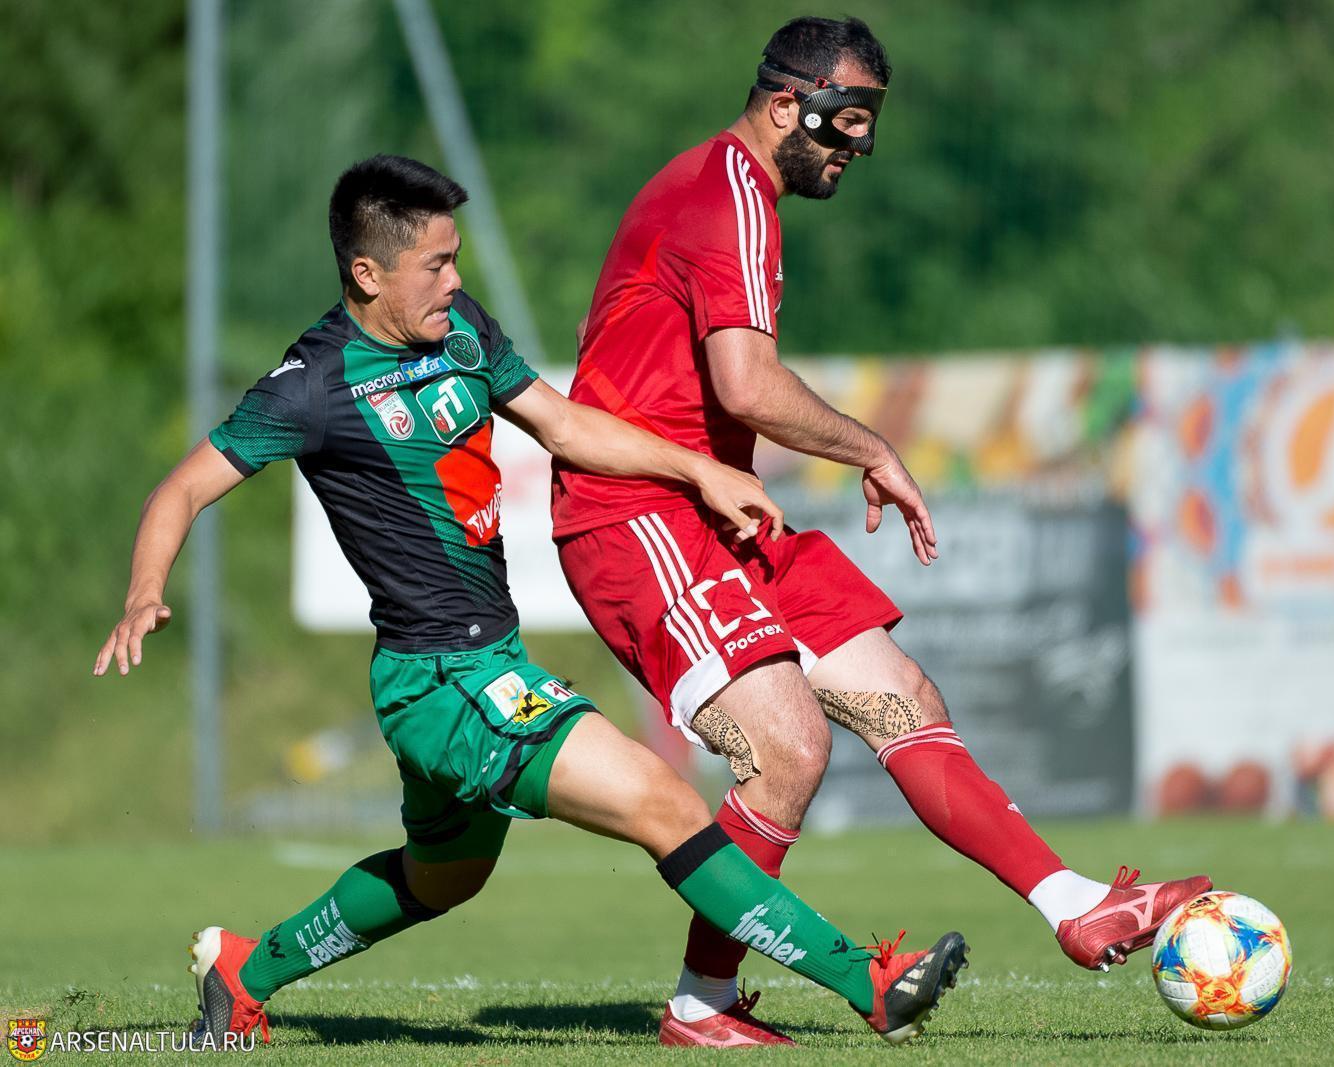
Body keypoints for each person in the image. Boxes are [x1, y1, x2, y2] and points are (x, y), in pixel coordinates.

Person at [93, 154, 967, 1048]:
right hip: (445, 682)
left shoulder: (460, 329)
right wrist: (144, 592)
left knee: (444, 877)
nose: (454, 279)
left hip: (480, 664)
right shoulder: (312, 384)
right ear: (367, 273)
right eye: (435, 264)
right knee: (665, 803)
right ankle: (867, 983)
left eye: (455, 258)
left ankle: (246, 971)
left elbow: (564, 423)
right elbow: (182, 488)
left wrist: (698, 470)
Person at [553, 16, 1211, 1047]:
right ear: (788, 105)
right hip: (635, 514)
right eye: (848, 121)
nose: (860, 145)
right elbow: (745, 384)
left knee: (902, 694)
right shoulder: (727, 192)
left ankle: (1074, 904)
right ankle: (701, 1003)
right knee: (788, 747)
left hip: (718, 509)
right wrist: (871, 448)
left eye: (869, 124)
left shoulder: (731, 191)